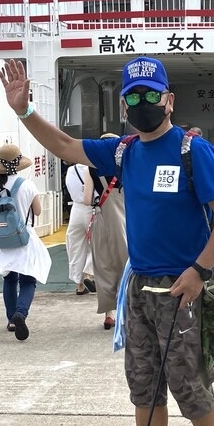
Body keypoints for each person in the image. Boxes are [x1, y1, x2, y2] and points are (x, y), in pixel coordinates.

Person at [1, 56, 214, 426]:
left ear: (169, 100)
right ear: (124, 107)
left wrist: (198, 272)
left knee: (189, 381)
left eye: (153, 95)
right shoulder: (124, 151)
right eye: (134, 96)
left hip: (183, 285)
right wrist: (23, 110)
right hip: (140, 286)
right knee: (144, 383)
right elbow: (68, 146)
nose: (144, 102)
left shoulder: (191, 150)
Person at [0, 144, 52, 341]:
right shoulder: (27, 185)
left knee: (9, 279)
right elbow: (38, 212)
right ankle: (20, 313)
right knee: (28, 279)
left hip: (1, 240)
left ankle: (11, 320)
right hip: (23, 238)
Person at [85, 133, 127, 330]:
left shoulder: (92, 168)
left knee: (104, 266)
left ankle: (109, 314)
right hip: (127, 219)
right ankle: (127, 312)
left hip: (103, 219)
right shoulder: (126, 165)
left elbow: (87, 198)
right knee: (127, 265)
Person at [64, 161, 96, 295]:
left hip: (76, 209)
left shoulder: (71, 170)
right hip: (93, 209)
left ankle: (79, 285)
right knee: (96, 244)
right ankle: (89, 273)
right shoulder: (95, 169)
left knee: (75, 246)